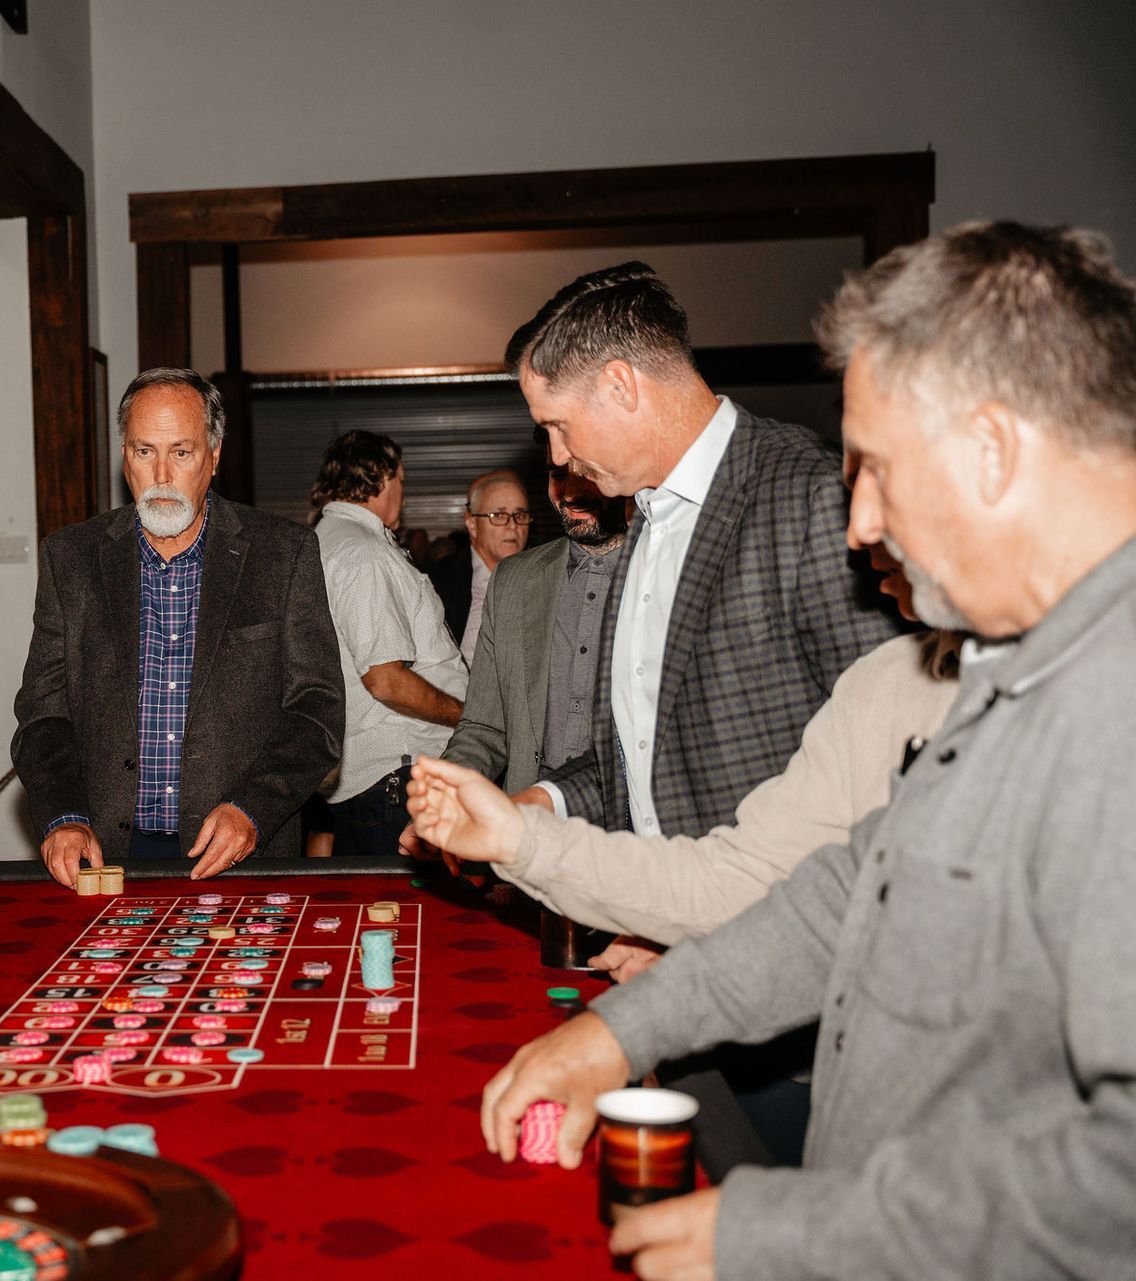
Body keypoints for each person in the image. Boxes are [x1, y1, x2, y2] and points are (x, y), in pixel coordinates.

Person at [473, 221, 1136, 1280]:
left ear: (994, 451)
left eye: (877, 469)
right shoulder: (1018, 657)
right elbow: (850, 892)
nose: (859, 523)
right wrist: (621, 1032)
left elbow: (1116, 1181)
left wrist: (783, 1234)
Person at [507, 262, 902, 1162]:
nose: (556, 458)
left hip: (799, 1027)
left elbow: (882, 803)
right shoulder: (640, 523)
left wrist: (713, 944)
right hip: (681, 989)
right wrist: (541, 803)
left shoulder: (807, 496)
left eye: (558, 425)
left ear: (621, 385)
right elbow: (633, 758)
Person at [407, 547, 959, 976]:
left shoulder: (674, 574)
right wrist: (519, 827)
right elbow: (754, 881)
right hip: (625, 891)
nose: (860, 528)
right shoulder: (882, 677)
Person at [12, 367, 343, 883]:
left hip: (241, 851)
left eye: (181, 452)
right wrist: (64, 817)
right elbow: (43, 714)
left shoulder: (282, 553)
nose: (162, 475)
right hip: (105, 855)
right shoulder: (71, 557)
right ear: (125, 455)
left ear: (214, 456)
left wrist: (252, 808)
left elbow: (316, 710)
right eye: (145, 451)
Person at [310, 430, 467, 856]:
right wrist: (467, 716)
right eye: (402, 480)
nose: (404, 493)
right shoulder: (362, 551)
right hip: (394, 779)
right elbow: (385, 679)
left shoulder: (327, 540)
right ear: (381, 476)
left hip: (372, 782)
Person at [431, 463, 629, 798]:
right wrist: (445, 796)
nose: (570, 492)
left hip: (628, 822)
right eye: (558, 474)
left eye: (586, 473)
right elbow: (485, 728)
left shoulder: (667, 574)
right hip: (526, 817)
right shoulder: (514, 579)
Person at [423, 468, 532, 662]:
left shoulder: (548, 576)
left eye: (520, 515)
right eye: (498, 515)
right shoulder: (437, 582)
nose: (513, 526)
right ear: (472, 523)